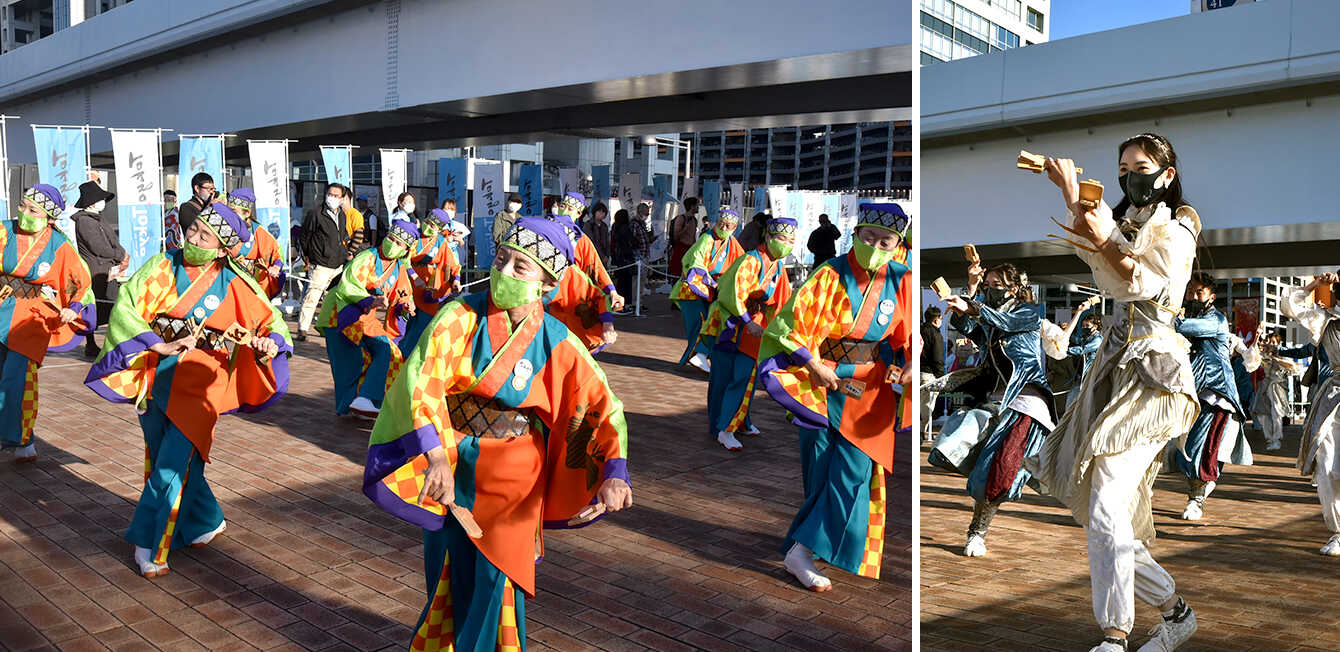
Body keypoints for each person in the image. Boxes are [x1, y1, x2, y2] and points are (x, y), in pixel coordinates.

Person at [362, 217, 631, 651]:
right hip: (452, 459)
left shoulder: (557, 339)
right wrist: (433, 456)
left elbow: (599, 406)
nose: (503, 272)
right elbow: (424, 378)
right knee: (447, 572)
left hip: (515, 475)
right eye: (501, 259)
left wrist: (613, 470)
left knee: (498, 578)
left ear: (547, 283)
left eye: (520, 267)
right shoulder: (460, 313)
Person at [1027, 134, 1200, 652]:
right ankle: (1175, 611)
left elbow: (1139, 282)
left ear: (1167, 174)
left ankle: (1114, 635)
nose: (1129, 176)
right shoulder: (1123, 225)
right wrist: (1069, 194)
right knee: (1109, 514)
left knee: (1105, 503)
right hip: (1109, 374)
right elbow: (1102, 262)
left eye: (1141, 166)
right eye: (1122, 167)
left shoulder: (1179, 226)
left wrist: (1096, 225)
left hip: (1157, 377)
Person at [85, 201, 290, 576]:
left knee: (170, 467)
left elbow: (272, 322)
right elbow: (127, 306)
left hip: (202, 381)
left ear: (224, 248)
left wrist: (271, 342)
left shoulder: (236, 280)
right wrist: (154, 342)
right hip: (155, 372)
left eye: (204, 235)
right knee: (166, 454)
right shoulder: (163, 265)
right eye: (193, 229)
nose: (192, 237)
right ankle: (205, 519)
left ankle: (150, 542)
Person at [757, 203, 911, 592]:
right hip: (822, 382)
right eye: (869, 237)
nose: (876, 245)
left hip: (870, 390)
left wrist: (912, 361)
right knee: (821, 469)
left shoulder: (902, 278)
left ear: (898, 244)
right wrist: (814, 364)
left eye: (886, 240)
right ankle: (805, 548)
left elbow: (908, 336)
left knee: (855, 470)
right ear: (856, 233)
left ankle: (802, 547)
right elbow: (787, 325)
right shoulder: (829, 273)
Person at [937, 262, 1055, 558]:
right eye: (987, 284)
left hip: (1026, 399)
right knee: (962, 448)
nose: (990, 289)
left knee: (1001, 469)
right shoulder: (990, 313)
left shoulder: (1029, 312)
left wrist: (973, 304)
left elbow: (1006, 323)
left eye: (996, 284)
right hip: (994, 398)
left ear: (1014, 288)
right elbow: (969, 329)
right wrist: (971, 290)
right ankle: (979, 525)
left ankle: (977, 532)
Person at [0, 185, 94, 462]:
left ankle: (17, 437)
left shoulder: (59, 244)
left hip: (32, 316)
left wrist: (74, 307)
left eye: (33, 210)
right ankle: (18, 436)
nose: (24, 213)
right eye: (22, 206)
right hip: (2, 306)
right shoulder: (4, 231)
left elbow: (81, 281)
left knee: (18, 378)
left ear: (49, 218)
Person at [1164, 272, 1260, 521]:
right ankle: (1199, 489)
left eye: (1200, 292)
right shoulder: (1192, 315)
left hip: (1214, 392)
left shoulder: (1215, 320)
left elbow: (1179, 326)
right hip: (1189, 392)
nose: (1194, 296)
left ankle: (1196, 498)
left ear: (1212, 296)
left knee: (1201, 448)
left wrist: (1166, 310)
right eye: (1191, 291)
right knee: (1183, 447)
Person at [701, 217, 796, 450]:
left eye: (791, 240)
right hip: (732, 323)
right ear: (768, 237)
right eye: (782, 238)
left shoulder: (778, 266)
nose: (787, 244)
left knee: (746, 377)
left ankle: (739, 421)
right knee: (726, 377)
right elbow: (732, 292)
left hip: (755, 324)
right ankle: (724, 428)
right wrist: (746, 320)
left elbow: (783, 301)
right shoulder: (750, 260)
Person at [317, 219, 419, 419]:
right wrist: (370, 300)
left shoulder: (398, 270)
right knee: (349, 364)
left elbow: (403, 296)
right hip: (339, 313)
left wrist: (405, 306)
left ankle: (366, 401)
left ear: (405, 249)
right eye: (391, 238)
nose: (393, 244)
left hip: (364, 318)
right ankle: (359, 404)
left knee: (386, 351)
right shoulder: (367, 257)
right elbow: (349, 285)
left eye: (399, 243)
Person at [1281, 272, 1340, 555]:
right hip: (1333, 398)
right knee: (1327, 464)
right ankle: (1338, 531)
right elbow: (1290, 304)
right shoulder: (1326, 319)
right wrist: (1316, 285)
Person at [669, 208, 745, 371]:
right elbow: (695, 265)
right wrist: (714, 283)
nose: (724, 228)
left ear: (734, 228)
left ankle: (699, 356)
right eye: (721, 224)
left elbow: (743, 264)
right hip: (691, 290)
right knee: (700, 325)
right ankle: (699, 355)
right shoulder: (707, 239)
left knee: (710, 323)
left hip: (710, 292)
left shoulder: (733, 243)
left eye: (728, 226)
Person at [296, 183, 361, 341]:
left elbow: (342, 236)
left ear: (342, 199)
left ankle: (328, 326)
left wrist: (346, 253)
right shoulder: (315, 213)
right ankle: (302, 329)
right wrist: (309, 256)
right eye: (330, 194)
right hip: (320, 263)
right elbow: (305, 236)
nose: (331, 197)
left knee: (334, 297)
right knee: (312, 296)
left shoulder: (342, 215)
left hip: (338, 263)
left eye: (336, 195)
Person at [72, 180, 127, 358]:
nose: (103, 201)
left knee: (111, 306)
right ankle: (92, 344)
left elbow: (112, 241)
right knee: (96, 307)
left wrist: (121, 253)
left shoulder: (99, 218)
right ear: (92, 202)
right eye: (100, 198)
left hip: (108, 270)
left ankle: (103, 344)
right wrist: (119, 256)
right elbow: (97, 247)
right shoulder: (84, 221)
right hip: (95, 271)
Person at [399, 208, 464, 355]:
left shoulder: (440, 242)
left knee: (423, 325)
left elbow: (452, 264)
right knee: (402, 321)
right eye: (427, 222)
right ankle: (397, 355)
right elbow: (402, 258)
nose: (428, 226)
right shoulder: (412, 235)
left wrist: (456, 279)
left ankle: (412, 356)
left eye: (433, 226)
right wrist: (413, 276)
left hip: (428, 286)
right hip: (407, 282)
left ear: (440, 229)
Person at [552, 192, 624, 312]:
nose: (565, 211)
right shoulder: (543, 229)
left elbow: (596, 267)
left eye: (570, 209)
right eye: (563, 206)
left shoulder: (580, 239)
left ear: (579, 214)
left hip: (572, 295)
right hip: (544, 295)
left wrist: (611, 290)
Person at [227, 189, 286, 299]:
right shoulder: (221, 227)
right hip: (226, 282)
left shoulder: (258, 231)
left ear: (247, 213)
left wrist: (276, 267)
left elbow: (275, 251)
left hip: (250, 283)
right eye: (228, 211)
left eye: (234, 212)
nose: (230, 216)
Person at [1251, 330, 1302, 451]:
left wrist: (1276, 358)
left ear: (1279, 343)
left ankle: (1276, 439)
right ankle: (1269, 438)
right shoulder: (1265, 355)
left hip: (1278, 386)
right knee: (1262, 412)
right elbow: (1253, 353)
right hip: (1265, 386)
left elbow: (1293, 366)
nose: (1271, 344)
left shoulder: (1283, 355)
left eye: (1274, 342)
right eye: (1270, 342)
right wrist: (1257, 336)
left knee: (1276, 413)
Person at [920, 306, 946, 440]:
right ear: (936, 320)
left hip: (915, 372)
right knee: (927, 406)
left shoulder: (919, 330)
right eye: (941, 318)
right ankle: (920, 432)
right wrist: (940, 375)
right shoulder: (935, 334)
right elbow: (938, 357)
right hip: (929, 375)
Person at [609, 209, 637, 306]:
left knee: (620, 281)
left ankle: (618, 304)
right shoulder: (625, 228)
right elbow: (633, 242)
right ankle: (625, 304)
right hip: (627, 257)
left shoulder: (614, 227)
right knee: (626, 282)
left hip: (618, 257)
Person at [669, 197, 702, 278]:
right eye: (697, 205)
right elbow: (676, 236)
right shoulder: (681, 218)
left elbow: (693, 236)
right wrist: (685, 229)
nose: (698, 207)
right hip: (680, 249)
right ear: (692, 206)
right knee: (678, 275)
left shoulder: (694, 220)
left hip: (690, 249)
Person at [631, 202, 656, 296]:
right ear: (640, 212)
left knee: (642, 280)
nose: (647, 215)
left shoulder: (643, 224)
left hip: (645, 255)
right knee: (636, 281)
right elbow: (632, 240)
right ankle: (635, 302)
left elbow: (644, 240)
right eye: (646, 213)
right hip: (638, 256)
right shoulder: (634, 223)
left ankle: (639, 302)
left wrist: (651, 238)